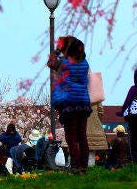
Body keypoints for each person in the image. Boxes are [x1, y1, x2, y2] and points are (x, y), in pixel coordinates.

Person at [48, 36, 91, 175]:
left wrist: (58, 50)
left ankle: (75, 167)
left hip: (69, 104)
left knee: (72, 137)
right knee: (82, 136)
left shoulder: (65, 63)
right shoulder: (85, 63)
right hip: (83, 103)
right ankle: (83, 167)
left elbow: (50, 63)